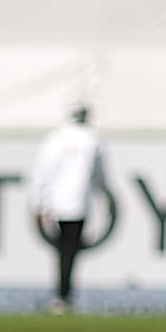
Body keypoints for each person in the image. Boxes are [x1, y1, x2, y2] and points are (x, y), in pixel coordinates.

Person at [26, 105, 109, 312]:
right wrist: (102, 194)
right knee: (70, 251)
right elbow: (99, 174)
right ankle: (64, 294)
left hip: (55, 202)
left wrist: (39, 202)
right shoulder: (92, 139)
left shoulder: (54, 138)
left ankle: (61, 294)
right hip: (79, 202)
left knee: (62, 250)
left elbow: (41, 172)